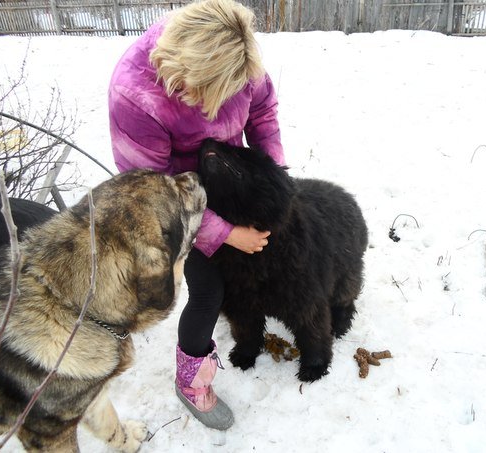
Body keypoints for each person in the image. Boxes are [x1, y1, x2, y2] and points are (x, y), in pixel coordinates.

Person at [107, 0, 284, 431]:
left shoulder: (237, 59)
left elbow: (262, 113)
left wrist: (271, 177)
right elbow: (155, 191)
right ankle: (190, 381)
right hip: (179, 200)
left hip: (229, 180)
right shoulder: (136, 95)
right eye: (213, 95)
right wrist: (223, 233)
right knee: (208, 291)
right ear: (186, 75)